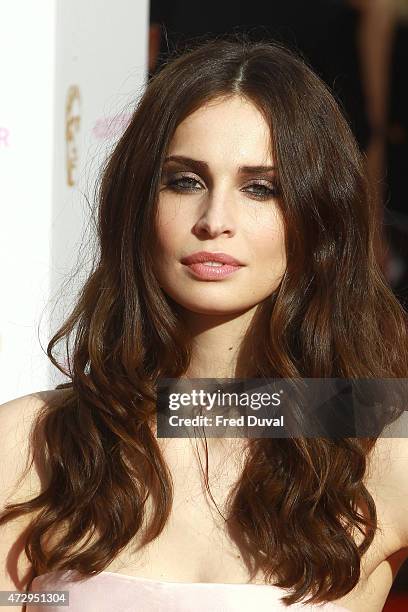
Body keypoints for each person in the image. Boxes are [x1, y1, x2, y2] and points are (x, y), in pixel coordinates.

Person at [1, 37, 408, 612]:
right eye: (184, 181)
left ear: (319, 213)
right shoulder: (30, 445)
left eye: (260, 188)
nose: (215, 220)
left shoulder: (381, 446)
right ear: (139, 202)